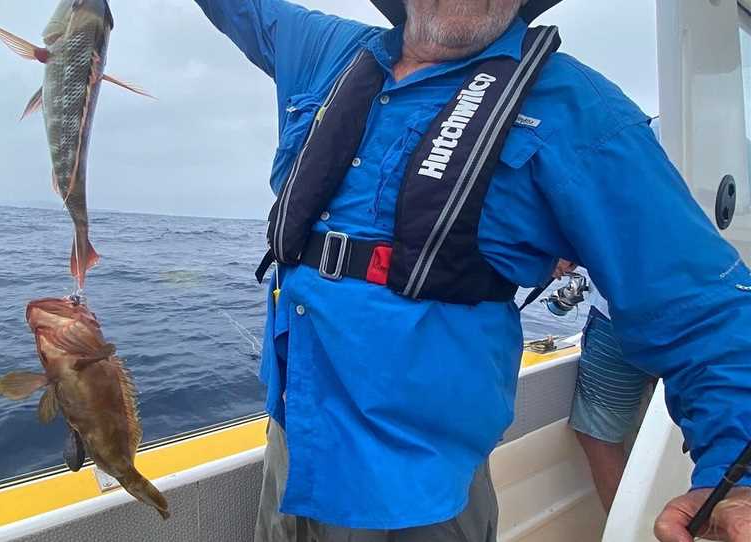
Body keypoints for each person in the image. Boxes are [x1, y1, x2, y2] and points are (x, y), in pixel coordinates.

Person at [191, 1, 751, 540]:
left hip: (427, 483)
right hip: (296, 438)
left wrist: (738, 481)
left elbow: (701, 307)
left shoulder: (579, 110)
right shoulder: (325, 49)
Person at [552, 260, 655, 512]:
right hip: (711, 317)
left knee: (600, 434)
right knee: (700, 430)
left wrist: (563, 251)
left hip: (619, 319)